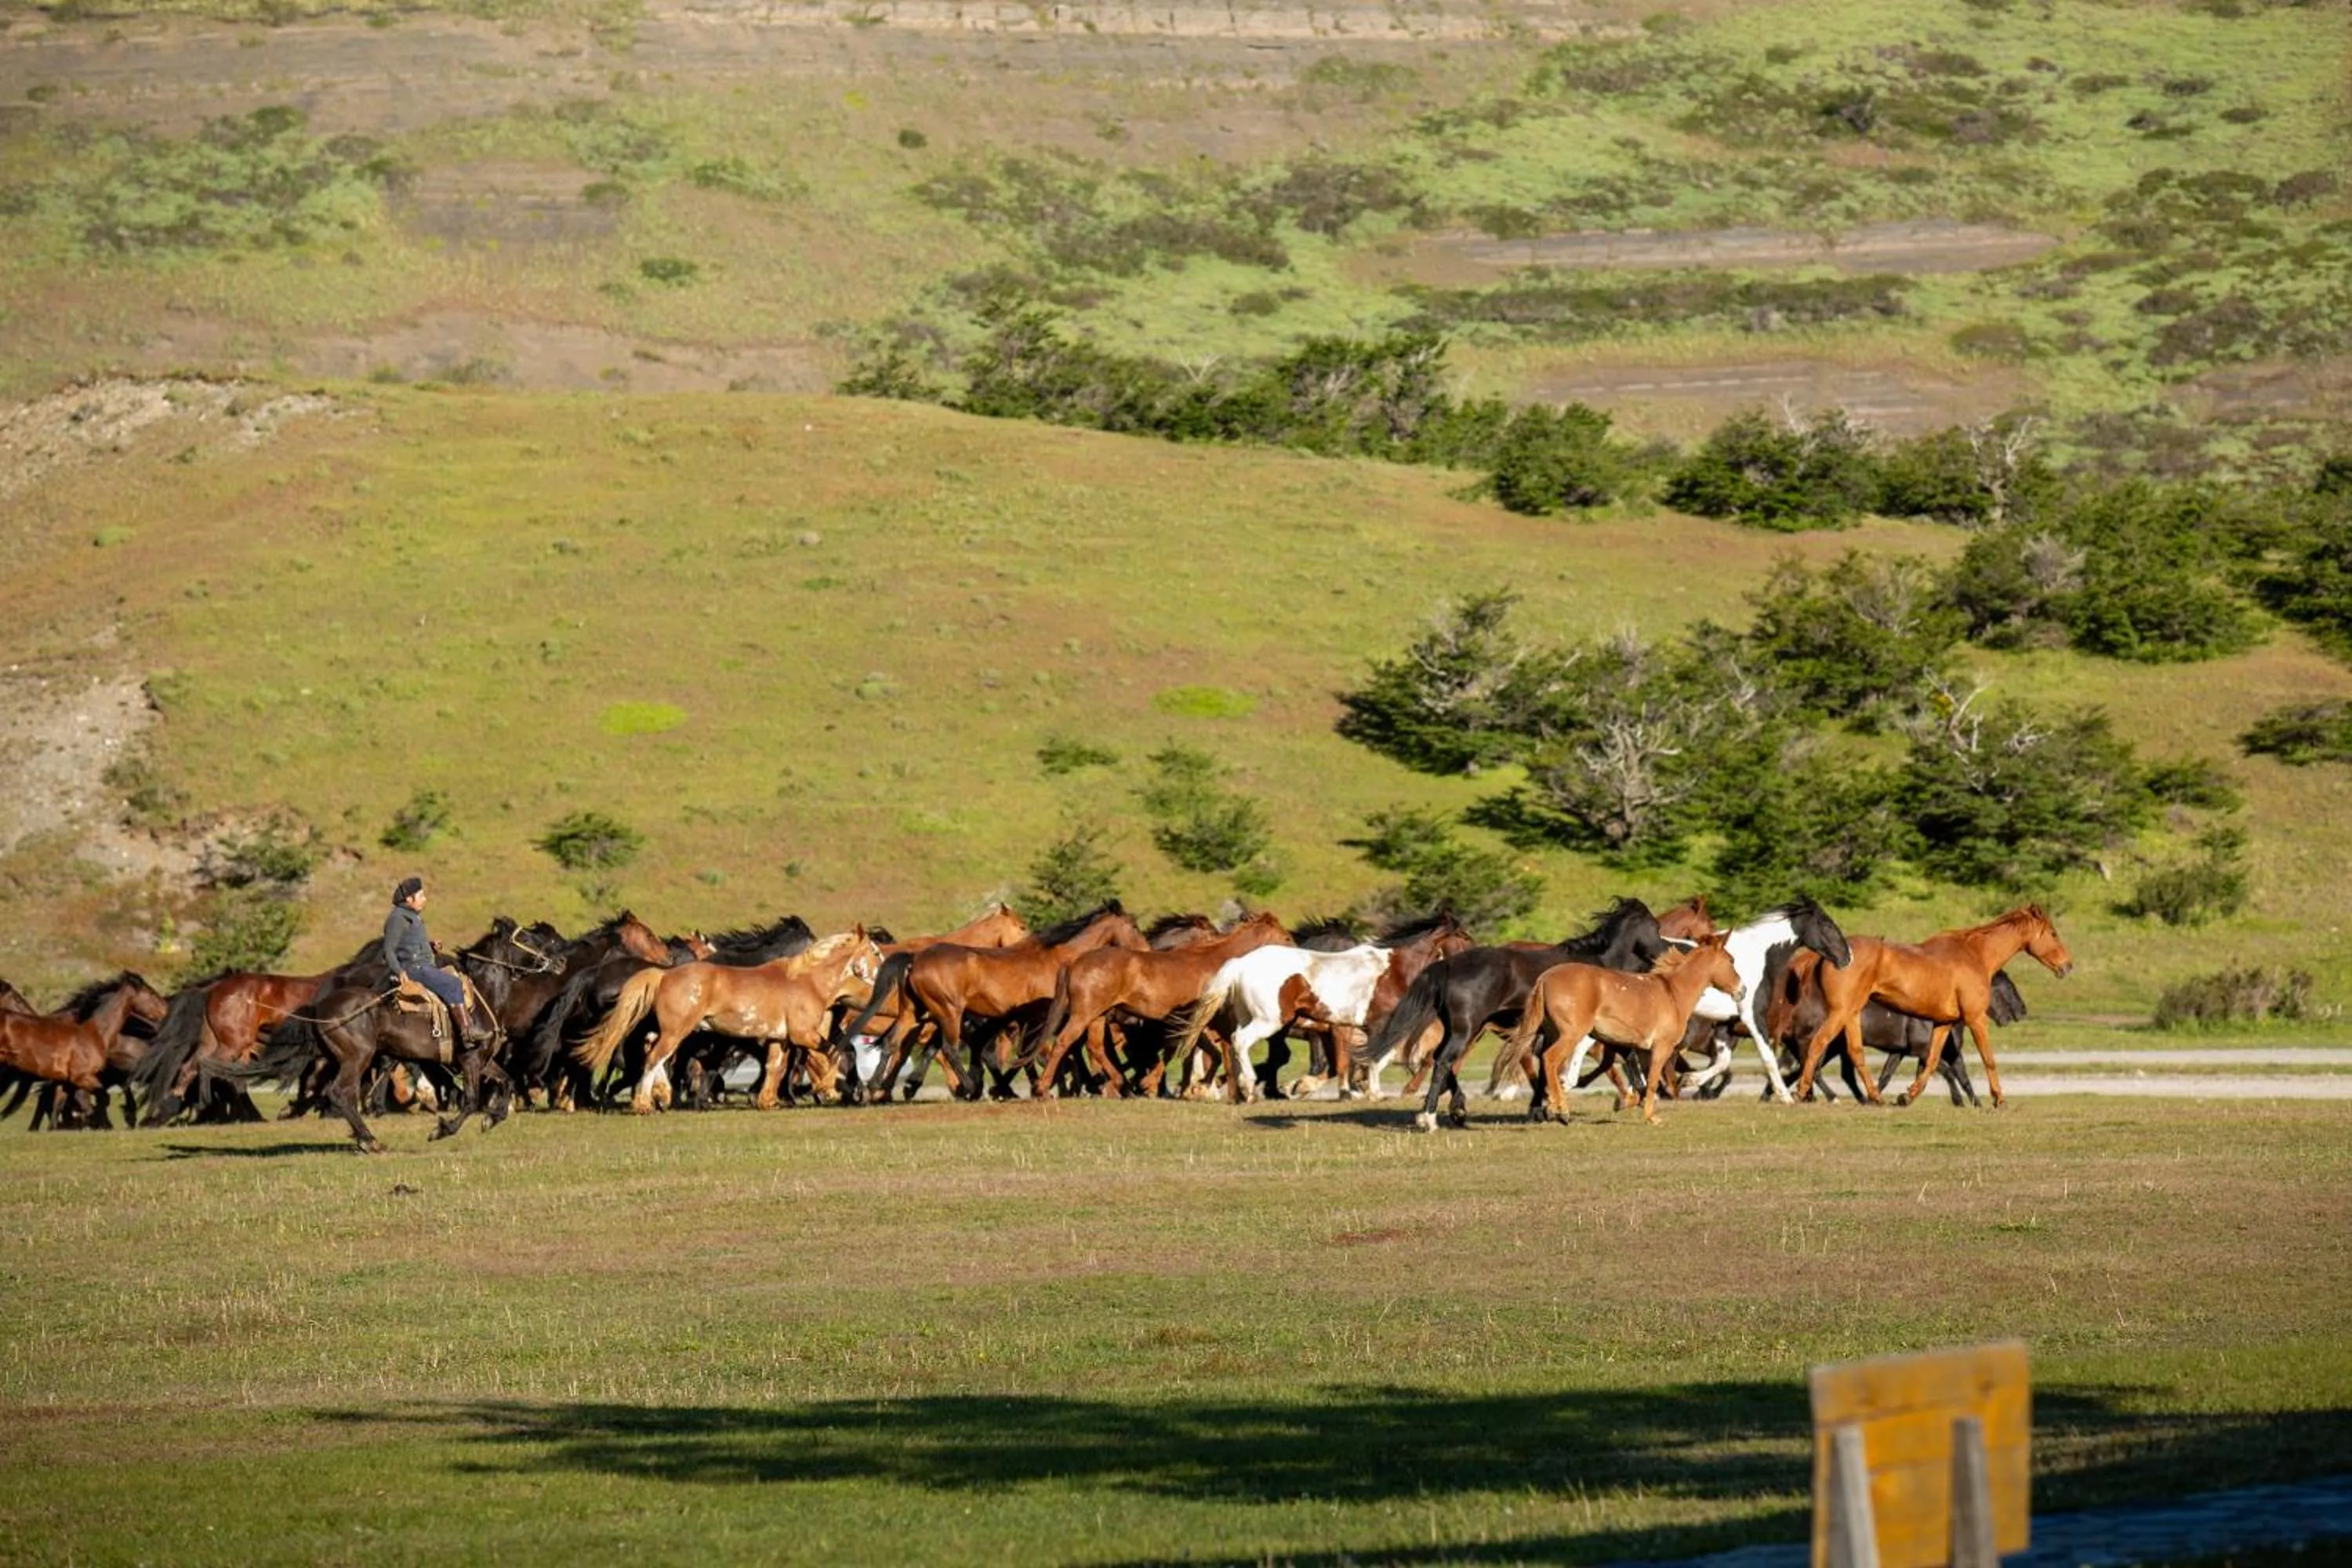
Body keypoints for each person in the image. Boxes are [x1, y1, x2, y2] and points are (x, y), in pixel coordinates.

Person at [382, 876, 475, 1041]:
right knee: (453, 984)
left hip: (424, 965)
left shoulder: (411, 916)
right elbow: (389, 949)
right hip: (415, 968)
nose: (425, 900)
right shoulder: (398, 918)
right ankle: (466, 1032)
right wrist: (399, 971)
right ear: (409, 899)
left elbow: (410, 943)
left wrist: (430, 945)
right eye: (421, 896)